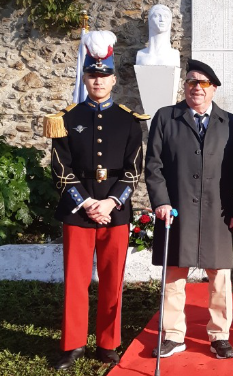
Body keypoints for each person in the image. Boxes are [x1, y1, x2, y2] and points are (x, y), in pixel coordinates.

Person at [44, 30, 148, 370]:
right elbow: (60, 167)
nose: (98, 80)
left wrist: (111, 203)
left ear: (114, 79)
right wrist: (87, 203)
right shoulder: (66, 119)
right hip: (78, 211)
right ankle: (72, 344)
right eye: (92, 74)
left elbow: (134, 169)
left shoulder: (129, 120)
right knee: (75, 281)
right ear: (85, 77)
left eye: (104, 75)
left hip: (114, 211)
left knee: (112, 281)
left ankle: (107, 343)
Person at [145, 58, 233, 360]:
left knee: (219, 278)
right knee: (174, 277)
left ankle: (220, 336)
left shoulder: (230, 123)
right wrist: (161, 202)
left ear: (214, 88)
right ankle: (174, 335)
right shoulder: (166, 118)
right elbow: (154, 166)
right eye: (191, 82)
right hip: (177, 210)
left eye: (203, 83)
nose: (197, 88)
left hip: (217, 211)